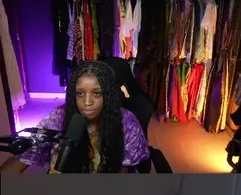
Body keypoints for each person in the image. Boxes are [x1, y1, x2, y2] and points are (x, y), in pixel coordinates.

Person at [0, 60, 149, 174]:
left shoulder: (127, 122)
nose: (87, 102)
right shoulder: (59, 117)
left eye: (97, 93)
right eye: (80, 93)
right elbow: (24, 157)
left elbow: (123, 171)